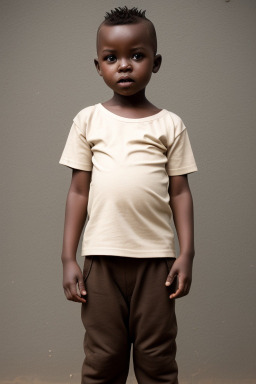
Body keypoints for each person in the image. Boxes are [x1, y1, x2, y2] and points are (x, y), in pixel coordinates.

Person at [59, 6, 198, 384]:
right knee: (104, 357)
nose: (124, 65)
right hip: (101, 261)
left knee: (157, 358)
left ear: (155, 62)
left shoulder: (170, 124)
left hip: (157, 263)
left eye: (136, 55)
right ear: (98, 65)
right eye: (111, 58)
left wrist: (186, 253)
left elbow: (181, 192)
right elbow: (77, 190)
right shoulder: (87, 120)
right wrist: (67, 257)